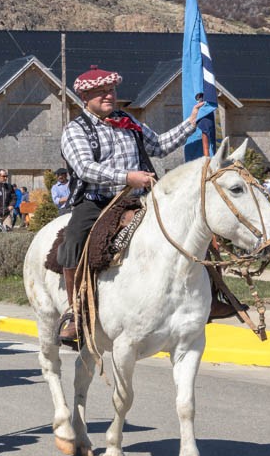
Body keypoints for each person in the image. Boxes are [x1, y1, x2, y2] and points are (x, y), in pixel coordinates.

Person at [56, 65, 204, 347]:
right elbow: (86, 168)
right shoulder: (75, 130)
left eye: (111, 91)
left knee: (190, 227)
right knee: (73, 240)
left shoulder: (128, 121)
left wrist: (192, 122)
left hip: (139, 198)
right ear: (85, 98)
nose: (109, 96)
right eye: (101, 93)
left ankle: (213, 296)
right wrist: (127, 177)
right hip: (97, 201)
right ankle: (76, 309)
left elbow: (159, 146)